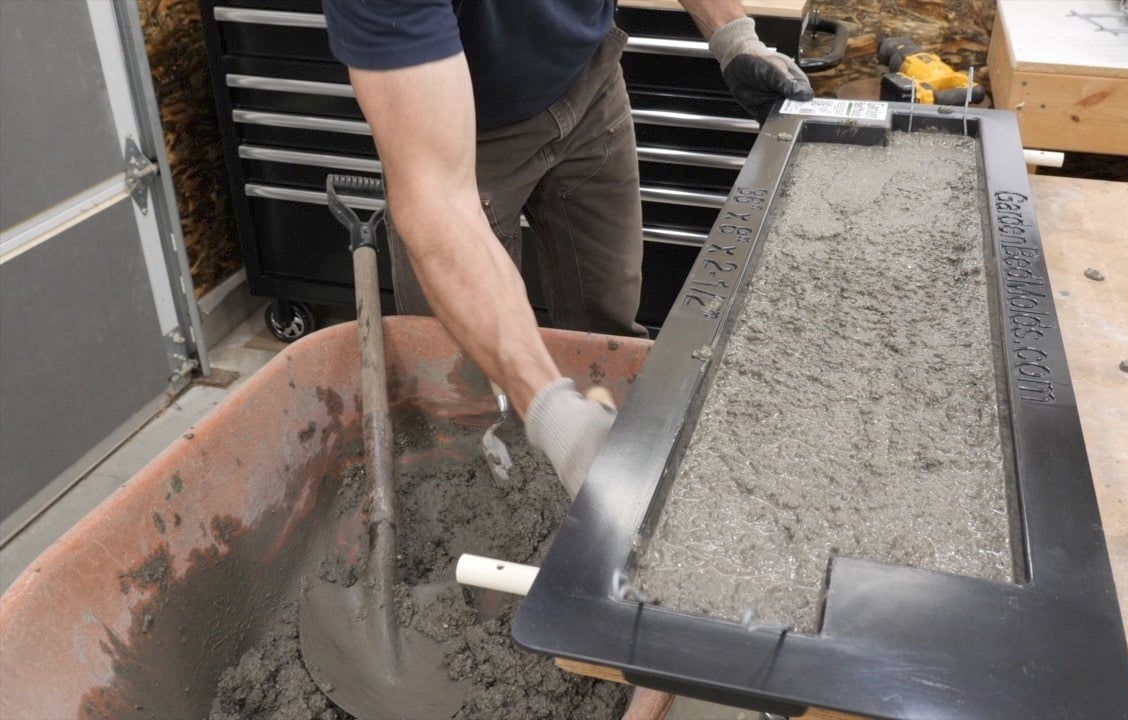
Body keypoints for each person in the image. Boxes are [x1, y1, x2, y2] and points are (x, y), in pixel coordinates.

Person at [320, 0, 813, 498]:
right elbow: (439, 200)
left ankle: (598, 464)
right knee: (465, 388)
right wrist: (554, 415)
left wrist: (733, 37)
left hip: (590, 82)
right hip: (465, 136)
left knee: (608, 331)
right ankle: (489, 509)